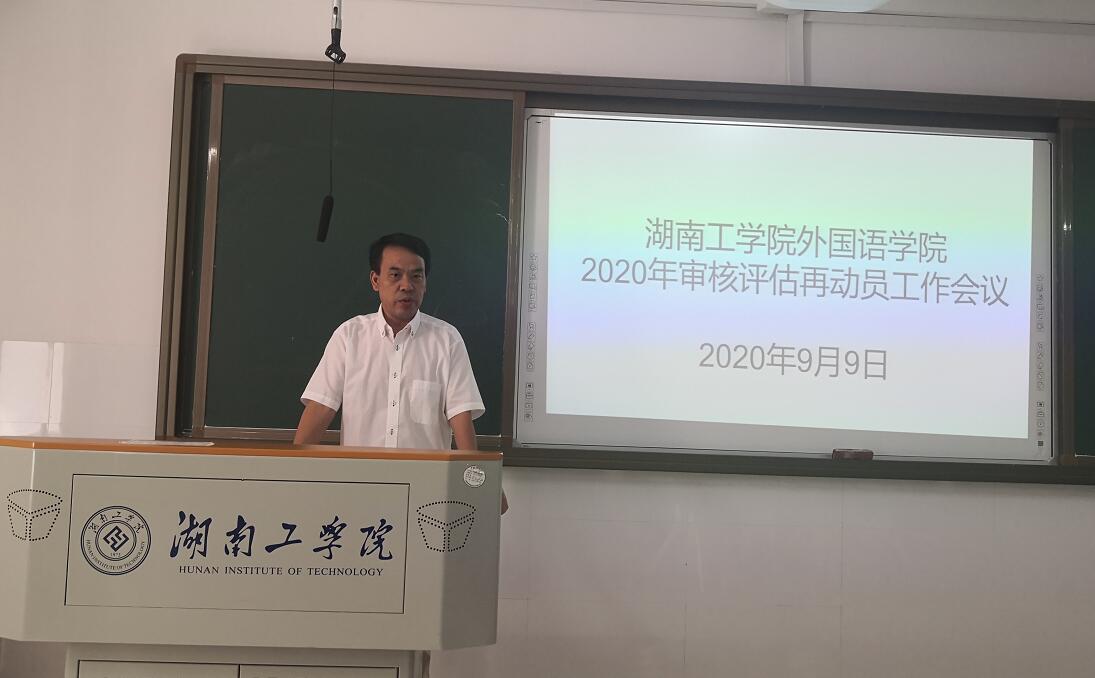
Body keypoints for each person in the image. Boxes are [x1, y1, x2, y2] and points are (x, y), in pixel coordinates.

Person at [293, 233, 507, 514]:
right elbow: (319, 410)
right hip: (359, 493)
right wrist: (289, 477)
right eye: (395, 275)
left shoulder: (446, 340)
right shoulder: (349, 336)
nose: (407, 285)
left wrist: (480, 485)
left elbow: (461, 420)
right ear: (375, 280)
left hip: (427, 497)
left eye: (416, 276)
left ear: (425, 283)